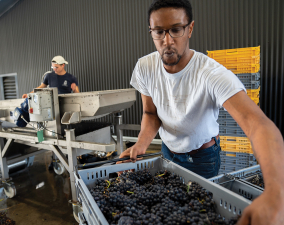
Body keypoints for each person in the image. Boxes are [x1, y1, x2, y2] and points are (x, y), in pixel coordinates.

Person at [119, 0, 284, 224]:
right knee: (175, 213)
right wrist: (141, 144)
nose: (167, 41)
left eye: (176, 30)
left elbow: (258, 124)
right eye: (159, 32)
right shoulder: (145, 68)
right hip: (168, 152)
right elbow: (150, 114)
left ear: (190, 29)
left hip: (203, 157)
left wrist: (275, 194)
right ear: (151, 32)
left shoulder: (210, 74)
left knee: (201, 215)